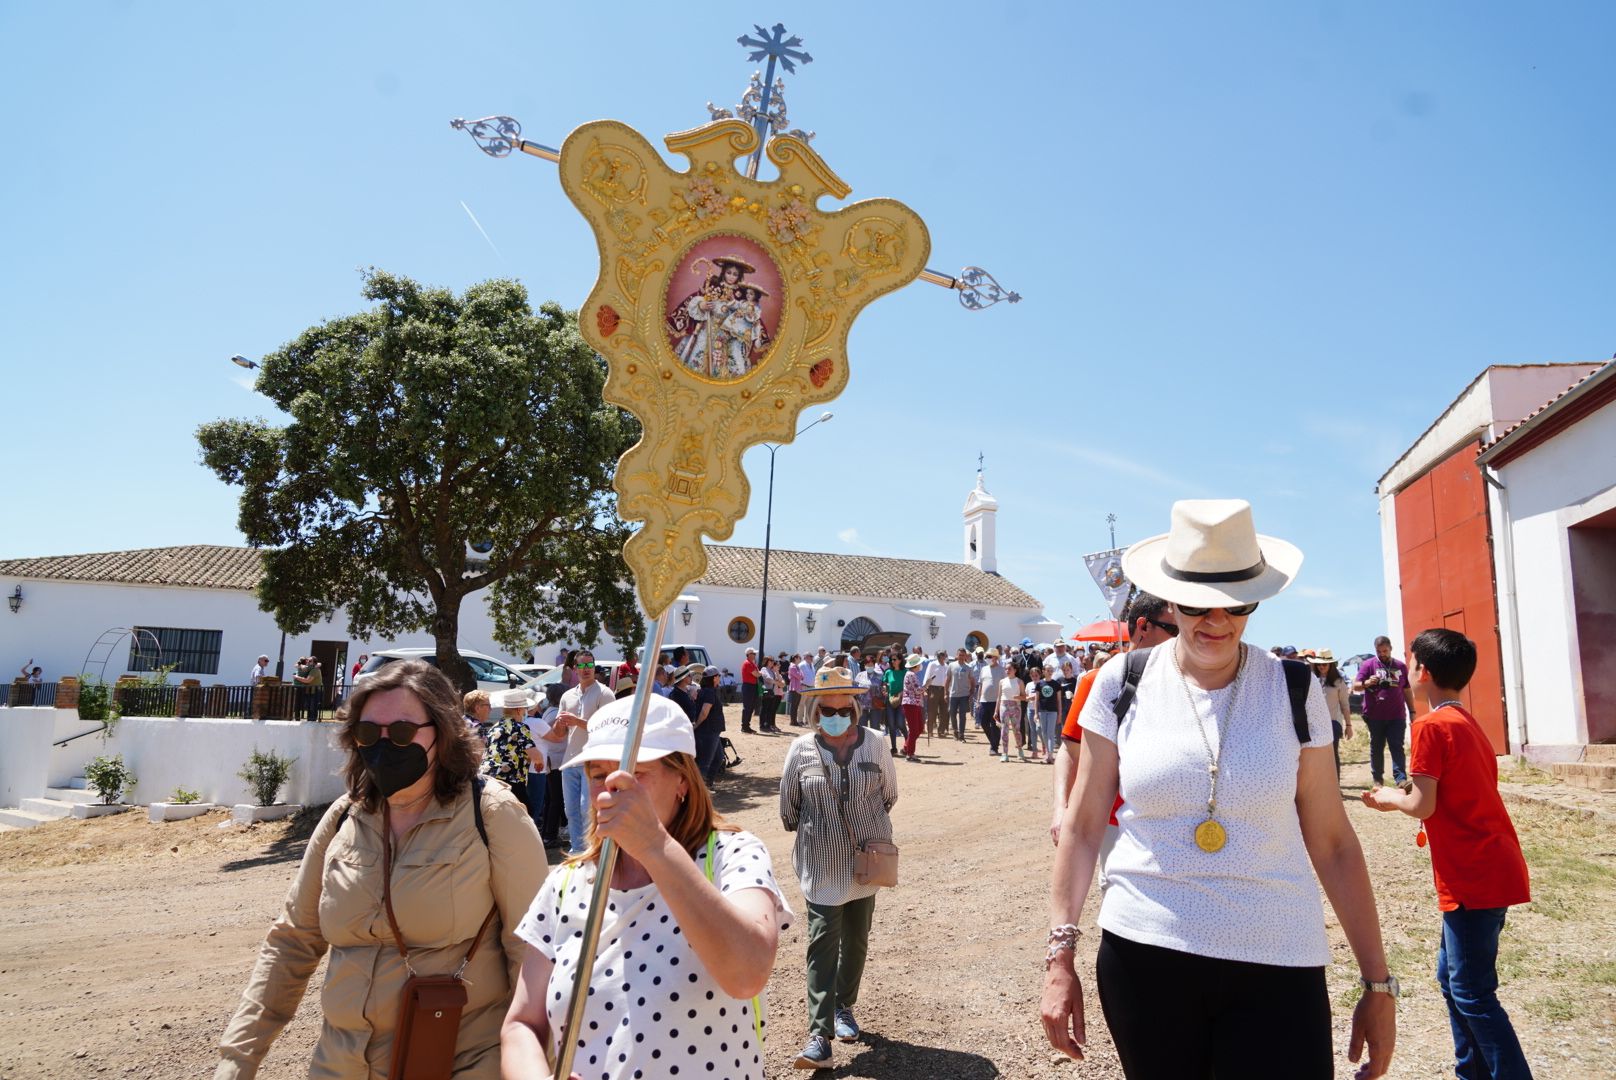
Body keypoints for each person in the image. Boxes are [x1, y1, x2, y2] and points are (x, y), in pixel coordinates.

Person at [1042, 499, 1396, 1080]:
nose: (1216, 620)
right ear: (1169, 600)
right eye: (1194, 604)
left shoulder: (1293, 688)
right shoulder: (1120, 683)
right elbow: (1081, 829)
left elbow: (1333, 843)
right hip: (1146, 955)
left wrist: (1378, 984)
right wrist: (1060, 960)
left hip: (1279, 956)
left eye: (1236, 602)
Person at [215, 660, 543, 1078]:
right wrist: (237, 1061)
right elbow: (292, 942)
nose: (384, 745)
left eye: (403, 732)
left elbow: (532, 952)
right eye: (369, 732)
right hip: (341, 1064)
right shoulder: (342, 817)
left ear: (442, 734)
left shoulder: (492, 813)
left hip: (458, 1061)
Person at [500, 694, 792, 1080]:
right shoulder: (567, 882)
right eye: (598, 774)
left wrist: (655, 847)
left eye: (635, 774)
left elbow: (747, 974)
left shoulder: (731, 856)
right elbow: (522, 1023)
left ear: (682, 782)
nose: (610, 791)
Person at [1361, 628, 1532, 1080]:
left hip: (1473, 875)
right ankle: (1470, 1072)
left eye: (1410, 661)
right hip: (1492, 867)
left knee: (1472, 991)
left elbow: (1422, 803)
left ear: (1422, 671)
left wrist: (1386, 798)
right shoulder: (1466, 721)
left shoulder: (1430, 725)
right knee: (1454, 981)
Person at [779, 666, 898, 1070]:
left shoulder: (877, 745)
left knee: (857, 941)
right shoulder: (801, 749)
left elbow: (889, 795)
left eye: (842, 708)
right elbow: (788, 808)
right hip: (821, 865)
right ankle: (819, 1034)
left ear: (854, 708)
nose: (835, 715)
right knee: (822, 941)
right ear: (815, 710)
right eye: (826, 709)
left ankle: (844, 1006)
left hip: (866, 865)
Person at [1051, 592, 1177, 846]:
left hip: (1171, 822)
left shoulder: (1186, 685)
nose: (1182, 639)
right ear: (1143, 626)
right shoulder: (1099, 680)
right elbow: (1071, 750)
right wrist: (1060, 809)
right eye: (1174, 629)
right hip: (1113, 823)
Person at [554, 650, 615, 856]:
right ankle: (577, 850)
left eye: (590, 665)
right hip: (569, 760)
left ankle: (592, 849)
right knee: (570, 810)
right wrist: (560, 724)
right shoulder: (567, 696)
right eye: (581, 665)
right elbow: (559, 735)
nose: (586, 669)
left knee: (587, 809)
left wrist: (576, 721)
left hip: (593, 760)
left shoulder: (605, 694)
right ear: (574, 669)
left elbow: (607, 728)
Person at [1355, 635, 1416, 788]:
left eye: (1385, 650)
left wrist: (1412, 711)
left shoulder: (1400, 666)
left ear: (1390, 648)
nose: (1382, 654)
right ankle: (1377, 780)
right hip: (1375, 715)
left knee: (1397, 746)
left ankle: (1401, 779)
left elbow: (1407, 690)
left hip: (1397, 715)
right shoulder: (1368, 665)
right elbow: (1355, 686)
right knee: (1377, 747)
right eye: (1379, 651)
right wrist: (1367, 682)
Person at [482, 688, 540, 809]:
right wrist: (540, 762)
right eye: (525, 709)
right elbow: (535, 755)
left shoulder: (494, 727)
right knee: (525, 814)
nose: (525, 711)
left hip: (489, 779)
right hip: (510, 781)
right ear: (519, 710)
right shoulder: (520, 727)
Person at [1310, 649, 1354, 781]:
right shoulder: (1311, 680)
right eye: (1319, 664)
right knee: (1316, 755)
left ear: (1331, 665)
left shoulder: (1339, 682)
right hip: (1315, 724)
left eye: (1324, 664)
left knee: (1332, 754)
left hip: (1333, 722)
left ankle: (1335, 785)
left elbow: (1345, 704)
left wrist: (1348, 725)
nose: (1321, 667)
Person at [693, 665, 727, 784]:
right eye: (718, 676)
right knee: (705, 763)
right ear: (714, 678)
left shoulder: (705, 691)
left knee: (718, 758)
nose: (719, 678)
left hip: (712, 731)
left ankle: (708, 784)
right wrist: (696, 725)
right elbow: (704, 712)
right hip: (709, 731)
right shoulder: (709, 692)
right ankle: (702, 789)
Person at [974, 649, 1004, 755]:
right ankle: (994, 741)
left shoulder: (1002, 670)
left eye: (990, 656)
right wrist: (978, 701)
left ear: (996, 658)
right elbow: (981, 685)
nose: (987, 658)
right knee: (983, 723)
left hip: (996, 702)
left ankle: (994, 747)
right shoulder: (984, 669)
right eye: (987, 656)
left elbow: (1004, 685)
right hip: (984, 701)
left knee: (995, 725)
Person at [997, 660, 1027, 763]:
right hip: (1004, 706)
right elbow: (998, 697)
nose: (1007, 670)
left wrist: (1018, 697)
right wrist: (996, 711)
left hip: (1016, 707)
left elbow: (1024, 697)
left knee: (1016, 730)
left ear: (1015, 670)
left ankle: (1020, 750)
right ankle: (1005, 753)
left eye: (1009, 669)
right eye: (1006, 668)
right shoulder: (1002, 681)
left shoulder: (1019, 682)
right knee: (1004, 729)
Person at [899, 652, 926, 761]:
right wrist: (926, 686)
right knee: (915, 729)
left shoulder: (911, 674)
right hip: (911, 704)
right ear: (916, 665)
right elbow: (917, 690)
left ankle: (907, 748)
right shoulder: (911, 675)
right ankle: (910, 754)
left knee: (918, 728)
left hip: (913, 703)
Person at [946, 647, 975, 741]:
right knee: (952, 714)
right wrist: (945, 693)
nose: (961, 657)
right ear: (956, 655)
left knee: (962, 715)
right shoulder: (951, 665)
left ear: (965, 656)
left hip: (964, 695)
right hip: (953, 694)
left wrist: (971, 692)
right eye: (960, 655)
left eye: (963, 655)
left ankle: (961, 734)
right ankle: (955, 731)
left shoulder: (968, 667)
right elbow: (947, 680)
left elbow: (972, 680)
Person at [758, 655, 783, 734]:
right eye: (771, 661)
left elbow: (779, 680)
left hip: (771, 691)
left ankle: (768, 725)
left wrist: (777, 673)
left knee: (769, 709)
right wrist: (776, 682)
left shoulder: (772, 671)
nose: (773, 662)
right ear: (767, 661)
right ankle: (762, 725)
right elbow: (767, 678)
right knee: (764, 708)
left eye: (773, 661)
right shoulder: (764, 669)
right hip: (765, 690)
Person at [740, 647, 759, 733]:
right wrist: (760, 673)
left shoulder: (752, 663)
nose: (755, 655)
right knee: (747, 707)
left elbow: (757, 673)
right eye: (753, 654)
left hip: (752, 686)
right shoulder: (747, 663)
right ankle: (744, 726)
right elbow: (756, 674)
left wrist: (759, 673)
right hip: (748, 686)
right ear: (749, 655)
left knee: (751, 707)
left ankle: (747, 725)